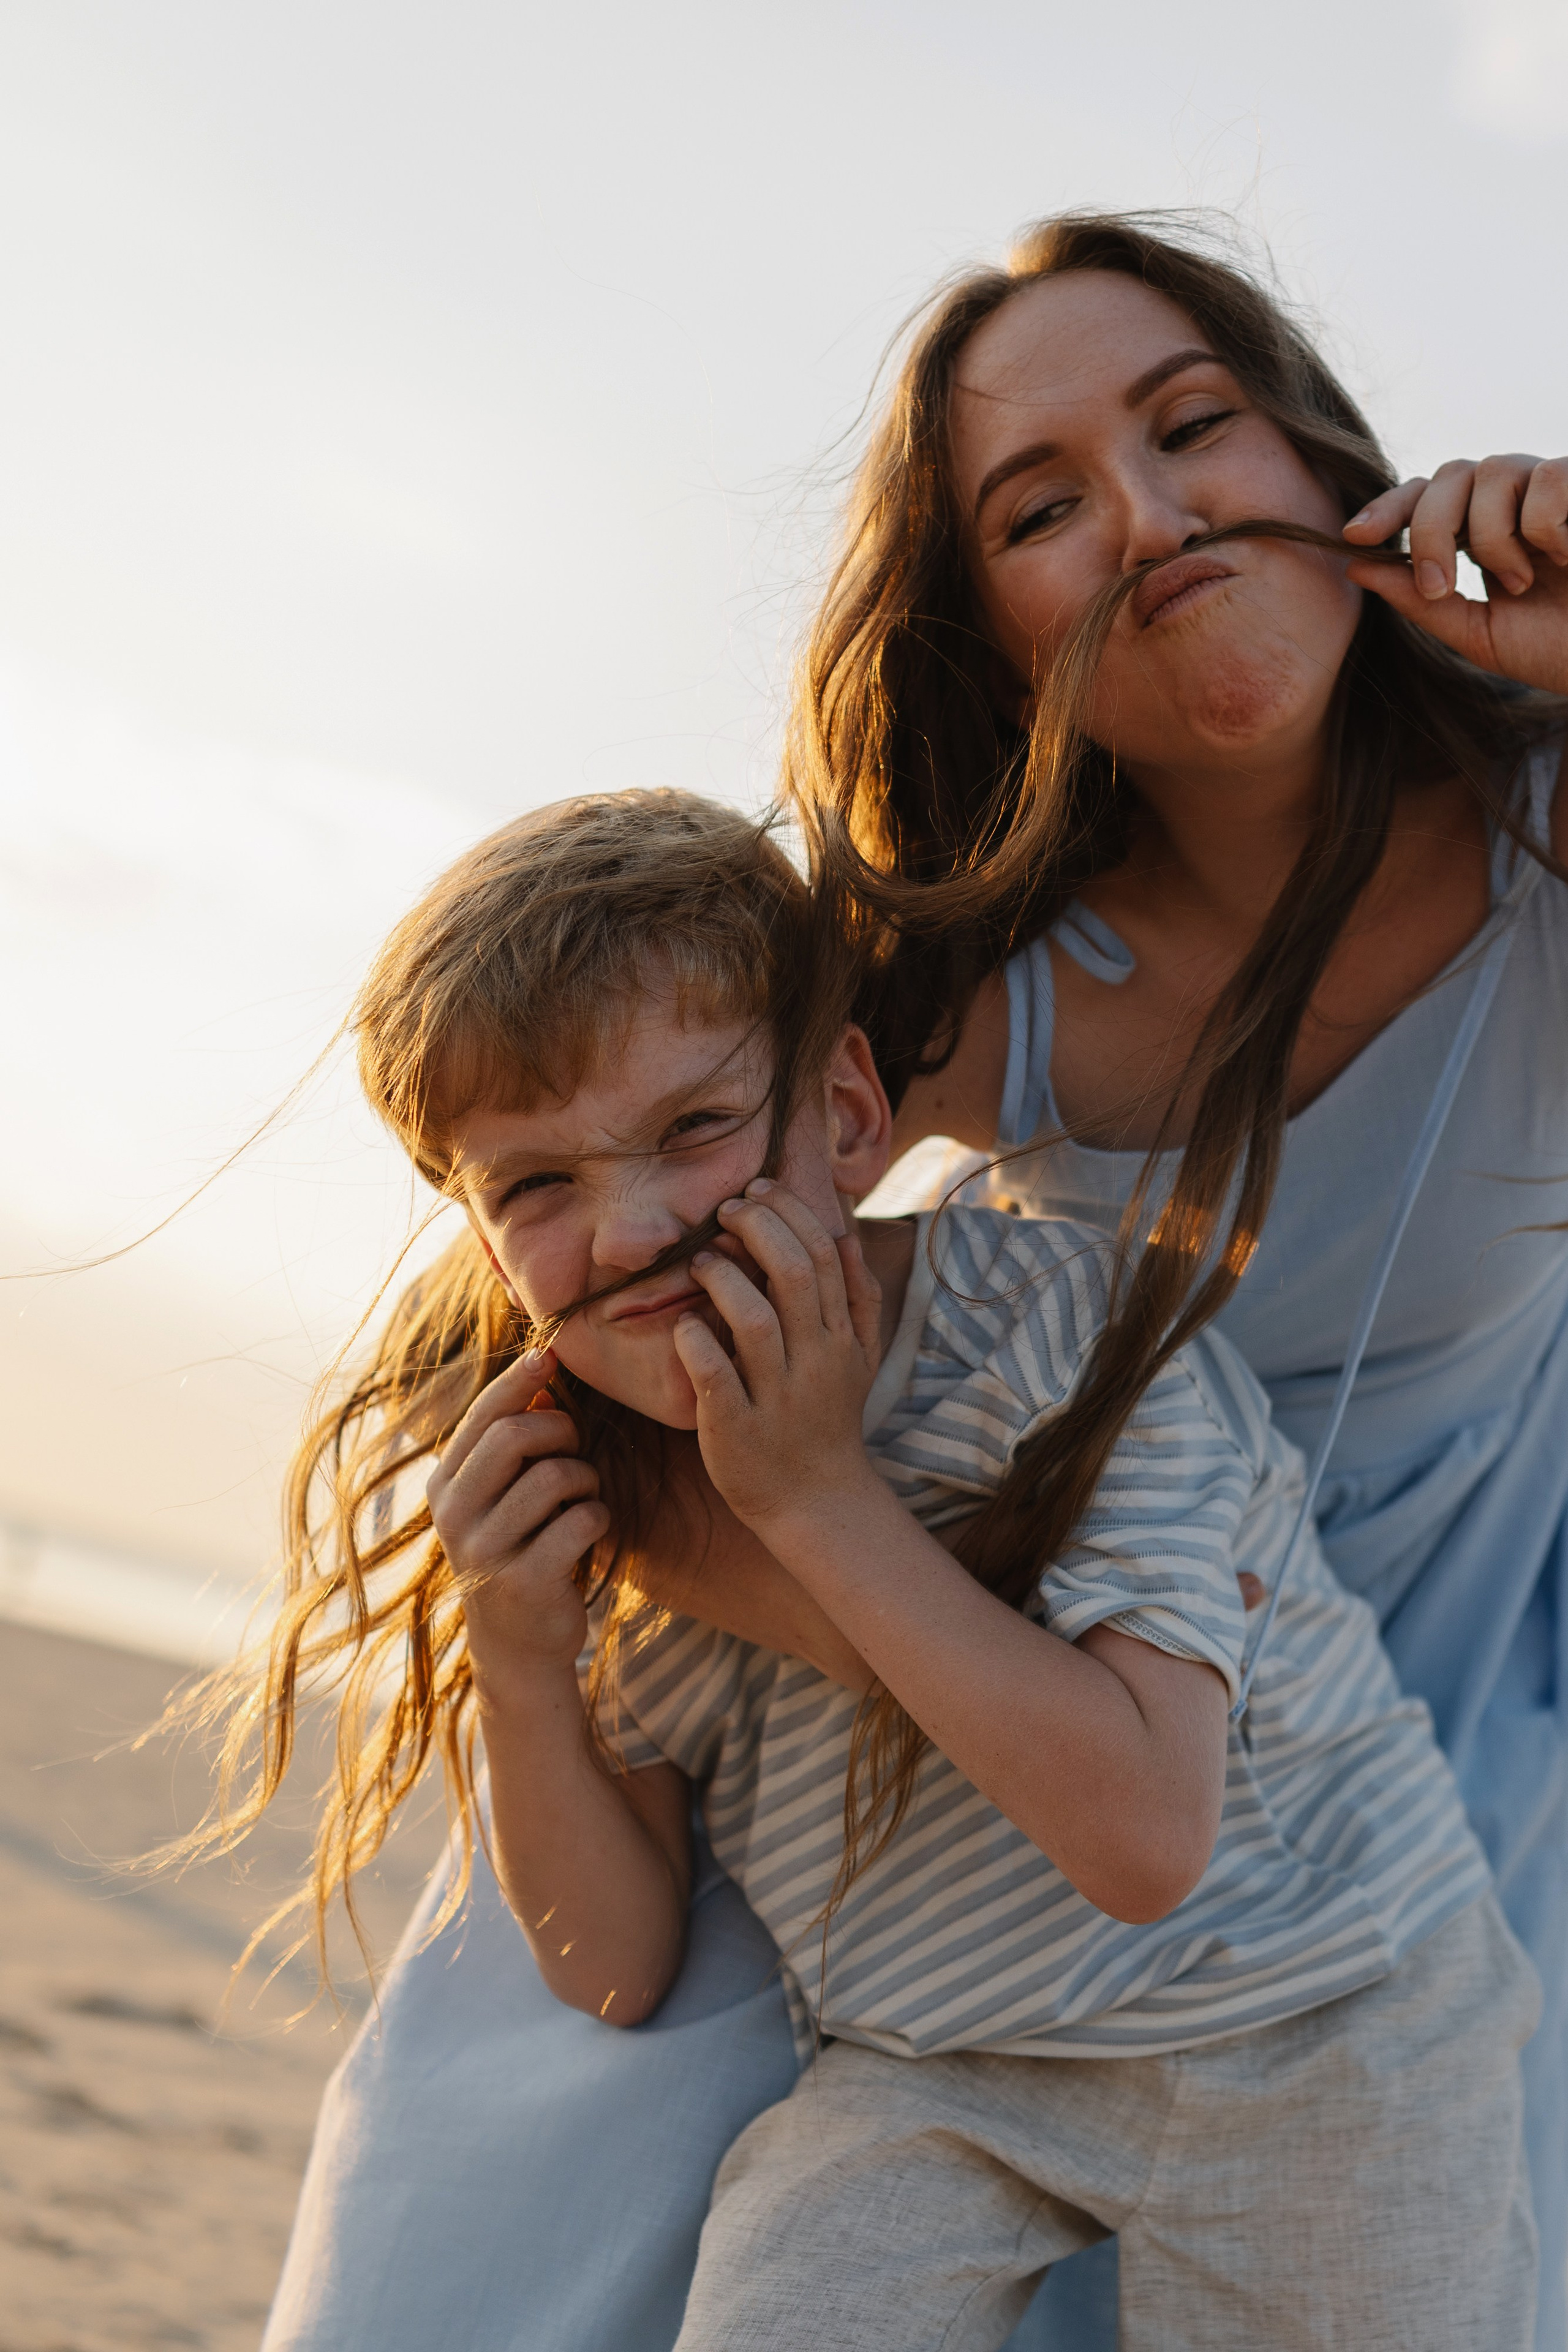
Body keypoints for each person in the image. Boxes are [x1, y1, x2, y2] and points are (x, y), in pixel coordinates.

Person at [261, 214, 1568, 2352]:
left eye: (1191, 427)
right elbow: (628, 1214)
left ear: (1319, 454)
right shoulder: (988, 980)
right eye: (1042, 507)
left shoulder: (1544, 805)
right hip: (1012, 1582)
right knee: (636, 2138)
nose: (1146, 518)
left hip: (1429, 1673)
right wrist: (809, 1564)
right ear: (994, 628)